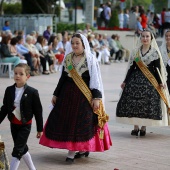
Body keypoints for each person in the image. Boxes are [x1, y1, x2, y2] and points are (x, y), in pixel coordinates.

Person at [40, 33, 112, 163]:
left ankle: (73, 152)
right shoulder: (68, 59)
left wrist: (96, 97)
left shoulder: (90, 59)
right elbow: (62, 78)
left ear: (83, 44)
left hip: (83, 97)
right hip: (67, 96)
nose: (74, 45)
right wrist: (56, 94)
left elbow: (95, 79)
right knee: (66, 121)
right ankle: (79, 149)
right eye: (72, 43)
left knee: (81, 123)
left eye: (77, 43)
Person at [116, 30, 170, 136]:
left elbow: (157, 69)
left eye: (147, 37)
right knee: (133, 104)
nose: (145, 38)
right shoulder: (135, 51)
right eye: (143, 36)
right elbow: (132, 67)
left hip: (149, 82)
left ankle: (144, 127)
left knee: (146, 103)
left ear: (151, 38)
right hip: (134, 80)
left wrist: (160, 82)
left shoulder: (154, 52)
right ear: (140, 38)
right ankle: (135, 127)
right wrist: (125, 81)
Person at [0, 63, 43, 170]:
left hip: (25, 125)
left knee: (17, 150)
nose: (17, 76)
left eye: (21, 74)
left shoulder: (32, 92)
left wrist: (40, 129)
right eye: (15, 73)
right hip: (13, 124)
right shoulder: (9, 90)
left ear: (27, 76)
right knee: (22, 148)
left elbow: (38, 111)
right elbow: (5, 108)